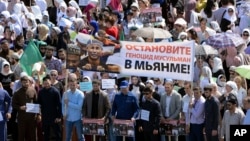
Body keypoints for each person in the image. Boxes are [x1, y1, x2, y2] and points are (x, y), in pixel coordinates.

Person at [12, 75, 38, 141]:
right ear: (21, 82)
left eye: (27, 82)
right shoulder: (17, 92)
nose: (25, 83)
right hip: (21, 117)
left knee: (33, 134)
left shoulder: (33, 90)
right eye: (24, 82)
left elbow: (37, 102)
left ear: (29, 82)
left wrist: (38, 114)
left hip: (32, 117)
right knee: (21, 135)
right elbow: (13, 104)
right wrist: (20, 107)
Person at [37, 75, 62, 141]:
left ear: (50, 82)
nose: (46, 85)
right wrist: (39, 114)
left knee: (57, 133)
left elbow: (59, 104)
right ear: (43, 84)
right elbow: (38, 103)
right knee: (46, 134)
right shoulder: (41, 92)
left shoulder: (55, 91)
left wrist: (59, 117)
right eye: (45, 84)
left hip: (54, 116)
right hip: (45, 115)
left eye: (48, 83)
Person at [62, 73, 84, 141]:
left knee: (80, 137)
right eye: (71, 84)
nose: (72, 86)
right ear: (68, 84)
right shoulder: (65, 93)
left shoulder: (80, 94)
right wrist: (64, 114)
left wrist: (69, 103)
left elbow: (79, 107)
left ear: (76, 84)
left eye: (74, 84)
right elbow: (63, 105)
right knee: (68, 137)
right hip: (68, 118)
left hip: (78, 118)